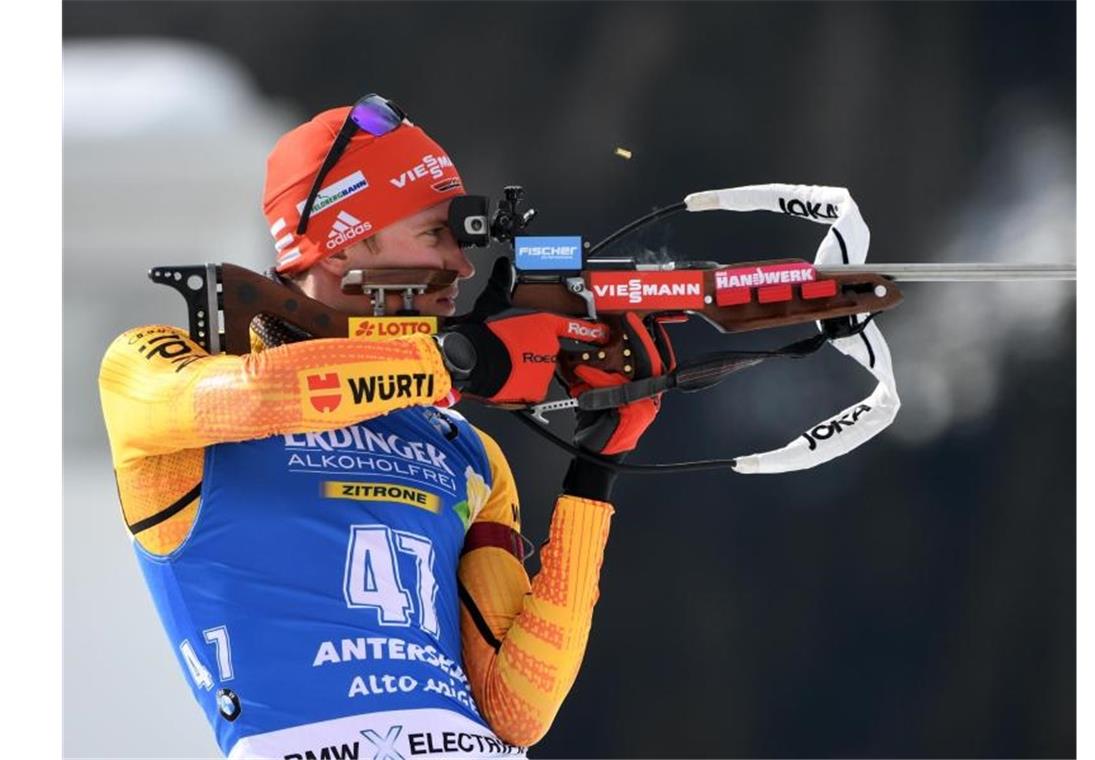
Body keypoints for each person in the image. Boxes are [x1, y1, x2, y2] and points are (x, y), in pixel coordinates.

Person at [98, 94, 673, 760]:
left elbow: (520, 706)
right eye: (436, 234)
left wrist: (597, 466)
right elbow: (247, 401)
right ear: (347, 241)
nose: (462, 265)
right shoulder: (150, 366)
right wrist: (452, 361)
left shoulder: (465, 450)